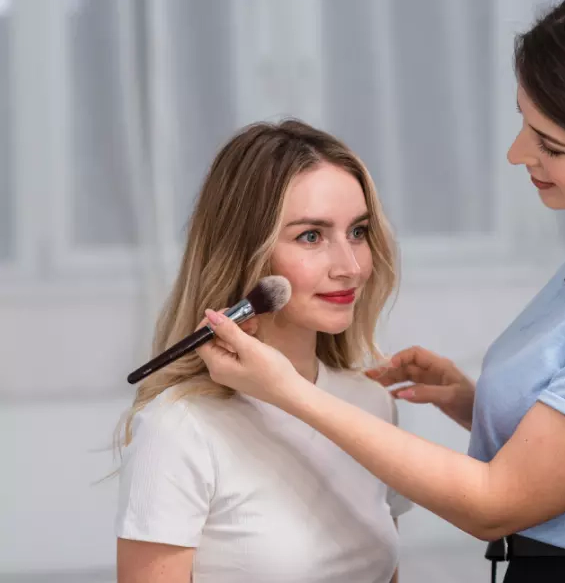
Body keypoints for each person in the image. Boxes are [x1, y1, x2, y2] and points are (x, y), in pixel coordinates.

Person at [196, 0, 565, 582]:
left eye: (551, 144)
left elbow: (497, 504)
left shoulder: (360, 404)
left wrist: (293, 394)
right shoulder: (181, 429)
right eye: (310, 236)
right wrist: (478, 401)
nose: (518, 154)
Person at [115, 119, 412, 583]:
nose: (351, 267)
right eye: (311, 236)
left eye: (358, 231)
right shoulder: (179, 429)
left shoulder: (372, 403)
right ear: (244, 251)